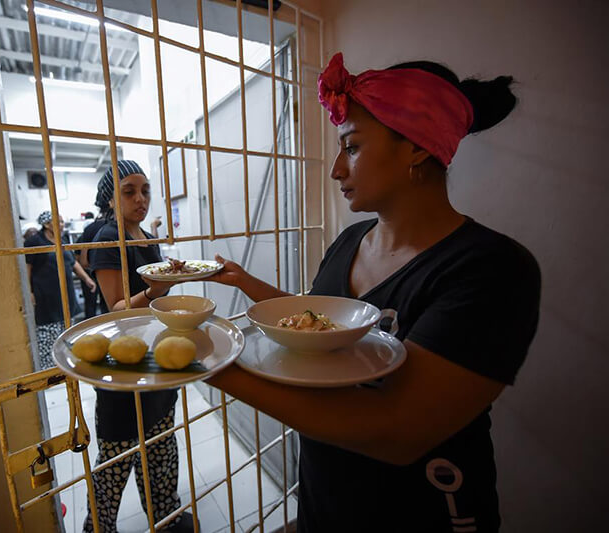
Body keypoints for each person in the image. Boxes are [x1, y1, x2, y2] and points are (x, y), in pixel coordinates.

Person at [203, 53, 541, 532]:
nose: (337, 169)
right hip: (325, 503)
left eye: (353, 146)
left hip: (423, 511)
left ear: (418, 147)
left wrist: (205, 360)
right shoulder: (349, 242)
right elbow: (320, 327)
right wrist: (244, 282)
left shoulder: (491, 269)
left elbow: (396, 430)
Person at [84, 160, 194, 533]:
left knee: (161, 445)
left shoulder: (147, 237)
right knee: (117, 457)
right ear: (110, 199)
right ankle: (99, 527)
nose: (140, 198)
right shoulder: (106, 239)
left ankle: (166, 517)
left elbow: (156, 299)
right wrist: (156, 290)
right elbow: (115, 308)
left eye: (145, 190)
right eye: (129, 191)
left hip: (156, 356)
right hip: (122, 361)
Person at [25, 211, 96, 369]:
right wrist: (28, 291)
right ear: (46, 224)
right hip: (45, 295)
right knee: (47, 333)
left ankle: (66, 364)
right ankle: (50, 371)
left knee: (67, 329)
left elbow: (73, 263)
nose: (62, 225)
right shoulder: (34, 242)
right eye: (59, 222)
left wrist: (87, 279)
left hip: (65, 294)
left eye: (63, 222)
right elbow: (27, 268)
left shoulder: (61, 240)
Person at [76, 196, 111, 319]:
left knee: (91, 304)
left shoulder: (90, 229)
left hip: (92, 272)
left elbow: (83, 261)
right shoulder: (120, 228)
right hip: (115, 274)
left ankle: (92, 330)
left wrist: (95, 268)